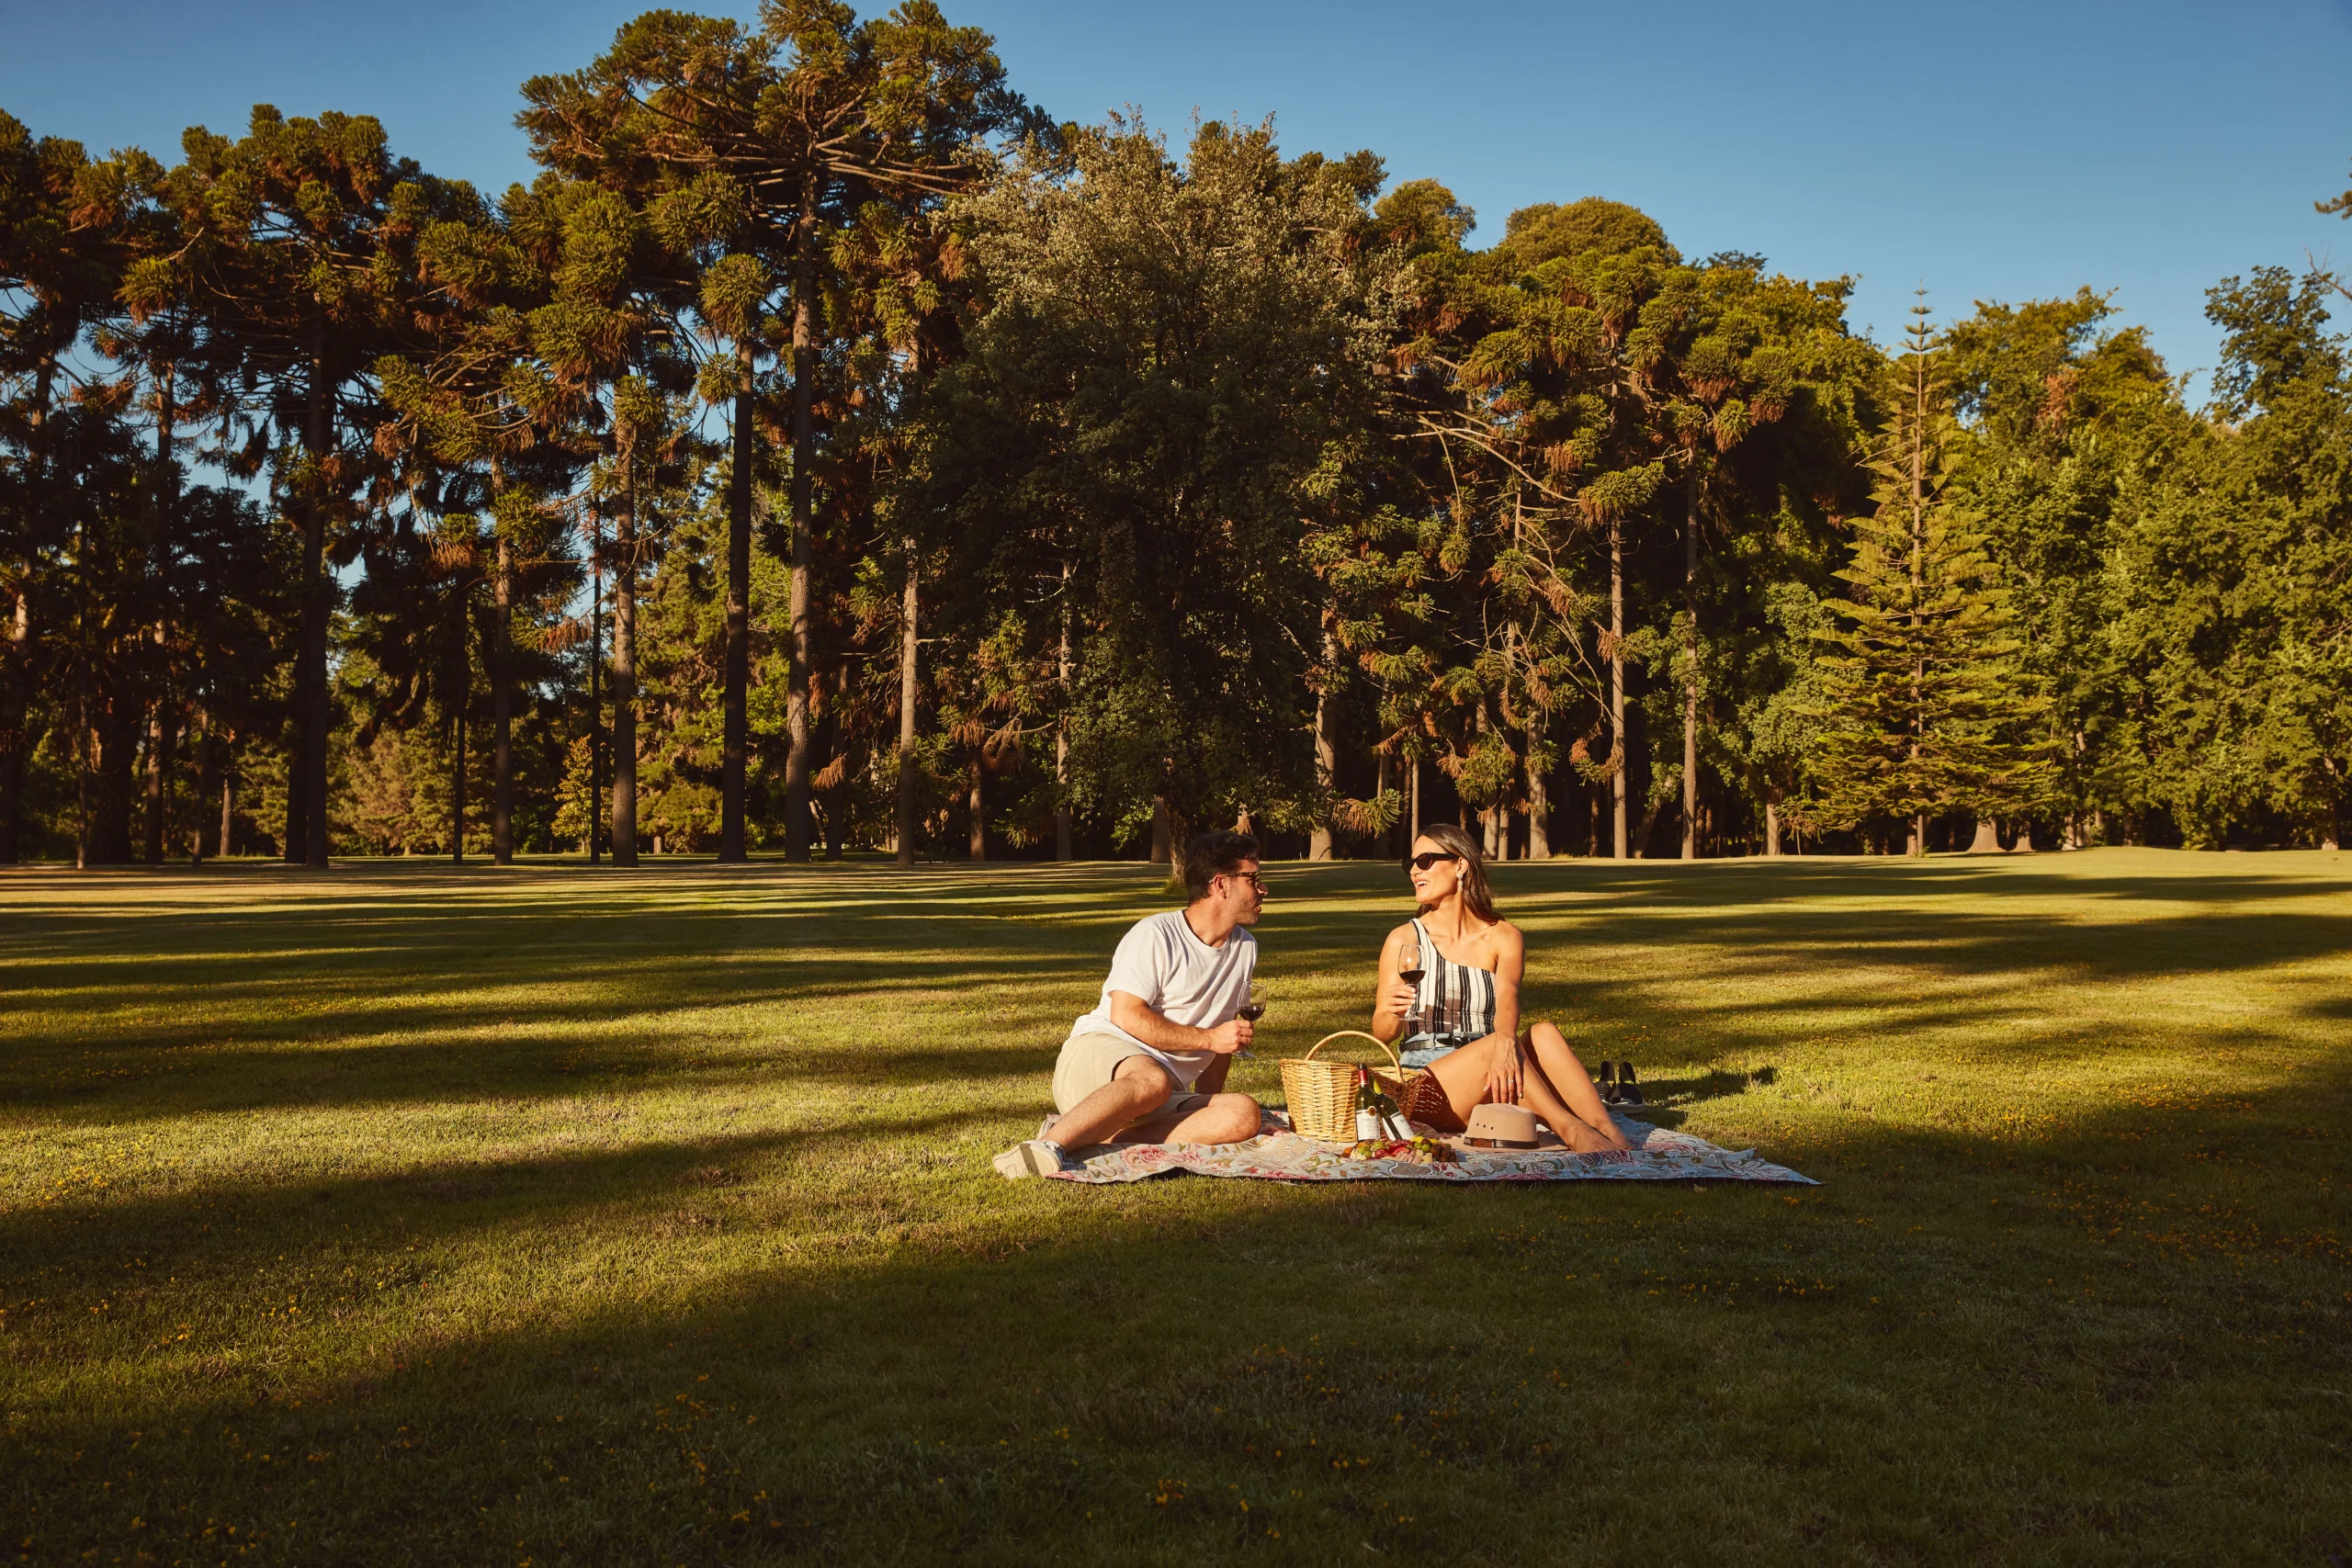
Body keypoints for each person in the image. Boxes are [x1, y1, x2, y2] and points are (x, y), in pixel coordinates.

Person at [995, 830, 1269, 1179]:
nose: (1263, 889)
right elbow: (1126, 1015)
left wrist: (1206, 1107)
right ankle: (1046, 1146)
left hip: (1161, 1092)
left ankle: (1104, 1136)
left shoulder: (1245, 947)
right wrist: (1211, 1039)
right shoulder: (1156, 934)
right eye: (1252, 879)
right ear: (1221, 884)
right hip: (1100, 1059)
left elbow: (1221, 1035)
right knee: (1152, 1081)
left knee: (1243, 1113)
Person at [1367, 823, 1630, 1154]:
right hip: (1428, 1083)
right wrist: (1393, 1012)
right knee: (1497, 1045)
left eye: (1425, 861)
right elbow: (1381, 1034)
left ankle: (1608, 1132)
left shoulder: (1503, 935)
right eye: (1411, 864)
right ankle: (1571, 1129)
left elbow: (1508, 998)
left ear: (1461, 865)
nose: (1414, 871)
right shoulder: (1403, 939)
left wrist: (1506, 1041)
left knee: (1544, 1033)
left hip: (1495, 1069)